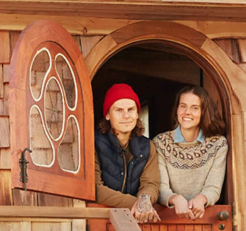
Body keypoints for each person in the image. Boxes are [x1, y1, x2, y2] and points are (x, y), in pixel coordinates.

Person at [153, 86, 228, 219]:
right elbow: (160, 187)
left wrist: (202, 198)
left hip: (206, 218)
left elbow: (214, 187)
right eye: (183, 106)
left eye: (195, 108)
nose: (187, 112)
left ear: (204, 112)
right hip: (167, 218)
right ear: (177, 109)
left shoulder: (218, 144)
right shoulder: (160, 142)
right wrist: (175, 199)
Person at [94, 84, 160, 223]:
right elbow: (95, 188)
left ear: (137, 114)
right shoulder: (93, 143)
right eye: (118, 110)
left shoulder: (147, 146)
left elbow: (151, 183)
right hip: (100, 221)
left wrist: (145, 198)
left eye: (131, 109)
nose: (126, 115)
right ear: (107, 114)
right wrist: (138, 204)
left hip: (139, 222)